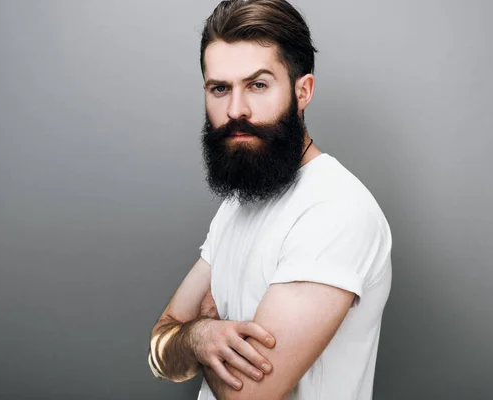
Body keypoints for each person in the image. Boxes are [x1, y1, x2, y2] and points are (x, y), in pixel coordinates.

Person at [148, 1, 392, 399]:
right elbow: (161, 343)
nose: (235, 110)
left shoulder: (335, 210)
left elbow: (247, 396)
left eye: (257, 85)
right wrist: (198, 335)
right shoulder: (237, 205)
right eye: (219, 88)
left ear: (303, 91)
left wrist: (193, 332)